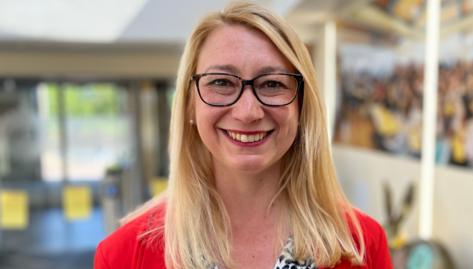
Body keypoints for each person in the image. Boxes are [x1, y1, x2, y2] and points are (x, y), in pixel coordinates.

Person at [94, 2, 393, 269]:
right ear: (189, 104)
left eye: (272, 84)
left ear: (302, 106)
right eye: (222, 82)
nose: (248, 111)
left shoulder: (362, 246)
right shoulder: (123, 255)